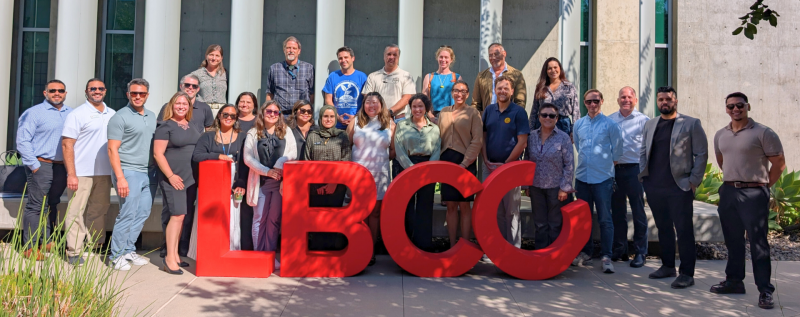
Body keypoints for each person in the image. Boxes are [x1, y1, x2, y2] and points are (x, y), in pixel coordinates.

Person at [711, 92, 784, 309]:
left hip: (754, 193)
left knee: (758, 243)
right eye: (731, 106)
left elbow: (779, 164)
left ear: (748, 106)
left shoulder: (763, 133)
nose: (735, 109)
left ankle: (765, 291)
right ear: (726, 109)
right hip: (729, 192)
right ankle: (734, 282)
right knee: (733, 240)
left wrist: (763, 187)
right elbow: (722, 161)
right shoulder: (720, 134)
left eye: (739, 105)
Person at [639, 86, 708, 289]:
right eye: (661, 99)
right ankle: (668, 266)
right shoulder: (650, 124)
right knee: (663, 228)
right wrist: (644, 177)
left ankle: (687, 273)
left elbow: (701, 154)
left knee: (684, 230)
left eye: (668, 99)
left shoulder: (690, 123)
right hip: (654, 186)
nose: (664, 102)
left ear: (675, 101)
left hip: (679, 187)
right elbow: (643, 150)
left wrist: (693, 181)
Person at [16, 79, 72, 260]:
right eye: (53, 90)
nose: (57, 93)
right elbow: (23, 140)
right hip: (41, 164)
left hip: (62, 166)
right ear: (45, 92)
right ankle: (30, 247)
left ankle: (47, 241)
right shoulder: (33, 113)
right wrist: (34, 165)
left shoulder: (71, 113)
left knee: (52, 203)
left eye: (61, 91)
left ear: (65, 93)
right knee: (36, 206)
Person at [61, 78, 114, 266]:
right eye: (93, 89)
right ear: (86, 91)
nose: (97, 91)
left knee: (99, 209)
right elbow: (67, 144)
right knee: (76, 211)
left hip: (105, 172)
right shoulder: (77, 114)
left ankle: (96, 245)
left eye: (100, 88)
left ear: (105, 91)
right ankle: (74, 250)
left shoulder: (112, 114)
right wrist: (71, 173)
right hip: (81, 172)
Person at [107, 78, 157, 271]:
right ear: (128, 94)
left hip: (149, 173)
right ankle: (116, 255)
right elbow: (112, 150)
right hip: (128, 171)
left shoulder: (152, 116)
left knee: (142, 212)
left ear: (147, 95)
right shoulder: (120, 117)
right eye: (134, 93)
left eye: (141, 93)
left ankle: (128, 249)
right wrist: (120, 177)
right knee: (127, 213)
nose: (137, 96)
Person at [571, 89, 622, 274]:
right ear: (584, 103)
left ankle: (606, 256)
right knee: (584, 219)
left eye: (596, 101)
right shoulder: (578, 125)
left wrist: (604, 168)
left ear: (602, 101)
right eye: (589, 102)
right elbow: (578, 145)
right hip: (583, 178)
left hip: (603, 179)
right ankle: (586, 252)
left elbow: (617, 154)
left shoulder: (611, 125)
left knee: (605, 219)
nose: (592, 105)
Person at [244, 101, 298, 269]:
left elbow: (293, 153)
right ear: (263, 112)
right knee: (259, 218)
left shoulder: (286, 131)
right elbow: (248, 158)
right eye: (269, 111)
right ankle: (259, 255)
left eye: (276, 112)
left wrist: (279, 165)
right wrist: (267, 171)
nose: (272, 114)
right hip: (261, 181)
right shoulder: (254, 132)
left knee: (274, 220)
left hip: (279, 182)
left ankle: (270, 255)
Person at [153, 92, 201, 275]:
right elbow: (158, 154)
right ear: (171, 106)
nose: (181, 106)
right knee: (177, 215)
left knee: (183, 217)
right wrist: (171, 176)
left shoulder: (192, 126)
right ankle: (169, 258)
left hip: (190, 180)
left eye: (185, 104)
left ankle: (176, 255)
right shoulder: (165, 126)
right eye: (178, 103)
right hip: (174, 179)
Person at [347, 92, 395, 266]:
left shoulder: (389, 124)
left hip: (379, 174)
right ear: (363, 105)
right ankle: (359, 247)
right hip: (358, 175)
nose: (372, 105)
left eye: (375, 102)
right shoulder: (355, 122)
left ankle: (371, 249)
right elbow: (348, 146)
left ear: (381, 105)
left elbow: (393, 151)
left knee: (375, 213)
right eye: (368, 102)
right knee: (360, 213)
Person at [482, 76, 529, 249]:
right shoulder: (488, 110)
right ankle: (497, 248)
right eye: (499, 88)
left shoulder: (519, 112)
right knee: (494, 209)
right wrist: (485, 158)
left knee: (511, 210)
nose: (502, 91)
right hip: (489, 167)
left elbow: (522, 141)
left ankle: (513, 249)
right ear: (495, 90)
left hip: (510, 169)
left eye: (506, 88)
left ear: (512, 91)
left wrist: (506, 164)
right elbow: (483, 137)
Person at [192, 104, 247, 251]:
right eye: (225, 115)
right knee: (210, 220)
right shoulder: (208, 136)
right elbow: (197, 156)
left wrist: (241, 183)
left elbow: (245, 164)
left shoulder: (242, 137)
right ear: (219, 116)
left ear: (236, 119)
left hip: (233, 186)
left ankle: (229, 250)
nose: (229, 118)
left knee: (230, 219)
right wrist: (218, 156)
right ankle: (207, 251)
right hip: (211, 187)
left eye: (232, 116)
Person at [437, 80, 482, 248]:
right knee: (450, 205)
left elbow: (477, 141)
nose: (459, 94)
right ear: (451, 93)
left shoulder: (473, 113)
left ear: (468, 94)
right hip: (447, 162)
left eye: (463, 91)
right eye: (456, 91)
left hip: (465, 163)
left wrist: (464, 164)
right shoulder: (444, 112)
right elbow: (439, 137)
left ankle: (465, 243)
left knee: (464, 206)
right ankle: (451, 244)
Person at [608, 86, 649, 267]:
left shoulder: (644, 121)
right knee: (617, 212)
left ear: (635, 100)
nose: (626, 100)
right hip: (615, 170)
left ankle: (640, 252)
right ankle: (620, 250)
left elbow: (650, 148)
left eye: (629, 97)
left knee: (638, 212)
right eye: (622, 97)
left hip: (635, 171)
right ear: (618, 100)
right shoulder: (610, 120)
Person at [394, 94, 441, 252]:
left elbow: (436, 150)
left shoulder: (434, 128)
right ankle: (405, 243)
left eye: (420, 106)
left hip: (428, 168)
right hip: (406, 166)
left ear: (426, 108)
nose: (417, 109)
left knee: (425, 206)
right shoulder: (402, 125)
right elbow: (399, 150)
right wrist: (411, 169)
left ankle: (424, 244)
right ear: (410, 108)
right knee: (406, 206)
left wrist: (428, 169)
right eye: (414, 106)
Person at [524, 103, 574, 250]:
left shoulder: (563, 138)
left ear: (557, 118)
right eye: (544, 115)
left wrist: (564, 188)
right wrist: (526, 185)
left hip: (556, 188)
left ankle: (554, 257)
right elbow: (526, 159)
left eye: (552, 116)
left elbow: (569, 164)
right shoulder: (531, 136)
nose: (548, 118)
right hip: (536, 187)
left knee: (555, 224)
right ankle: (541, 257)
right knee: (539, 224)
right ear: (539, 117)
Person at [304, 105, 352, 250]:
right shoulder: (312, 136)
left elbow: (346, 160)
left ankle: (333, 250)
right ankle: (317, 250)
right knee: (317, 220)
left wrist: (333, 184)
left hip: (337, 187)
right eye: (325, 116)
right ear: (320, 118)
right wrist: (316, 186)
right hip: (315, 189)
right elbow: (307, 162)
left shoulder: (342, 135)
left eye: (332, 116)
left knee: (333, 220)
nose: (328, 119)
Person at [363, 44, 415, 121]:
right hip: (377, 119)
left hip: (399, 120)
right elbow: (367, 97)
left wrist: (390, 111)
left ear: (399, 57)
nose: (391, 57)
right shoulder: (373, 76)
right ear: (384, 56)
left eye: (394, 55)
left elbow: (407, 98)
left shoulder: (406, 76)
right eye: (389, 54)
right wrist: (380, 113)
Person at [530, 57, 580, 134]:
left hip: (563, 125)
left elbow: (576, 111)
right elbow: (534, 111)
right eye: (549, 68)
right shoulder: (540, 87)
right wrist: (531, 130)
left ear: (560, 68)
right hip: (543, 124)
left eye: (555, 67)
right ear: (546, 71)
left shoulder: (569, 87)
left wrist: (574, 131)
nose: (553, 70)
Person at [234, 92, 258, 250]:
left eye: (248, 102)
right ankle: (236, 245)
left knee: (250, 211)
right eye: (242, 101)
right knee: (237, 211)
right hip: (233, 168)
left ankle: (249, 247)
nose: (245, 104)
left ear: (254, 105)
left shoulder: (259, 122)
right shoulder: (231, 119)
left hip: (253, 170)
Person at [266, 36, 315, 115]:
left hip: (301, 115)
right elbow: (270, 94)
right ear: (284, 50)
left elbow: (312, 94)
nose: (291, 51)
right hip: (281, 115)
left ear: (299, 51)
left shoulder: (309, 68)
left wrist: (308, 111)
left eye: (294, 48)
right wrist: (268, 112)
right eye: (288, 48)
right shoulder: (274, 68)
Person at [472, 43, 526, 113]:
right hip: (486, 120)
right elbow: (475, 103)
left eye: (496, 54)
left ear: (504, 53)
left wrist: (512, 117)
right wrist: (480, 118)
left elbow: (520, 102)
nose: (493, 57)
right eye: (490, 55)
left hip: (508, 119)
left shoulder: (516, 75)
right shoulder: (481, 76)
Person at [323, 46, 368, 129]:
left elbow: (366, 100)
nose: (343, 60)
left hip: (357, 124)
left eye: (346, 57)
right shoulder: (332, 76)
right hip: (337, 125)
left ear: (353, 58)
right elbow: (328, 99)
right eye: (340, 58)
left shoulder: (362, 77)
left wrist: (356, 117)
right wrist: (337, 117)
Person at [422, 45, 462, 122]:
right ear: (437, 58)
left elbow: (460, 101)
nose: (443, 60)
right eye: (441, 57)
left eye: (446, 57)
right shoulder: (429, 77)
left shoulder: (457, 77)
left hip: (451, 116)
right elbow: (424, 99)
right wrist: (431, 116)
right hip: (433, 116)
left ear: (451, 60)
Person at [190, 44, 227, 111]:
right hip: (202, 109)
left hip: (221, 111)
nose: (214, 58)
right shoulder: (197, 74)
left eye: (217, 56)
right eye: (211, 55)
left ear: (221, 58)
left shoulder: (225, 74)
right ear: (206, 56)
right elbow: (187, 90)